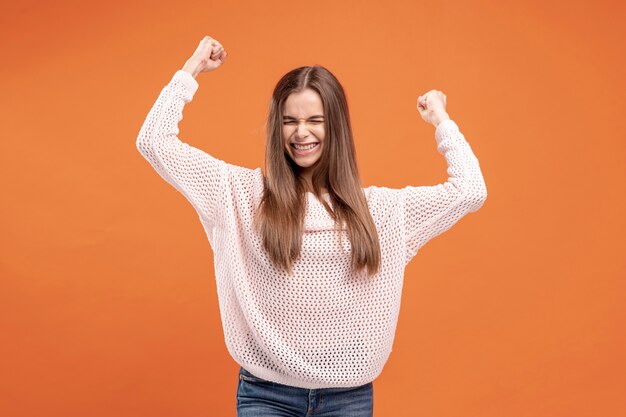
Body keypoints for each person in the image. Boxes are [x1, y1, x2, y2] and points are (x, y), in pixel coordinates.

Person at [136, 35, 487, 417]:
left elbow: (470, 190)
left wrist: (441, 120)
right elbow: (153, 141)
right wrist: (191, 71)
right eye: (290, 121)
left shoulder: (381, 212)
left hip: (348, 398)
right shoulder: (238, 194)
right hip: (265, 396)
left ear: (334, 126)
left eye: (314, 120)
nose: (301, 132)